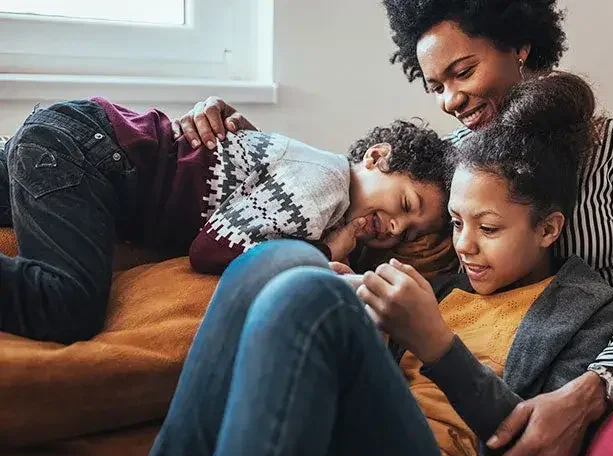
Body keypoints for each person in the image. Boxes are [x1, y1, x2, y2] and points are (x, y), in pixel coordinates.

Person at [176, 1, 613, 456]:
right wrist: (252, 146)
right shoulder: (456, 159)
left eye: (463, 72)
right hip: (417, 387)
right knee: (273, 266)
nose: (449, 99)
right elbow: (359, 191)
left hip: (580, 374)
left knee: (306, 297)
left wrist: (586, 394)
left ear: (519, 45)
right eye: (436, 85)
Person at [141, 73, 613, 456]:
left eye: (490, 227)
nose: (464, 244)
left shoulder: (587, 308)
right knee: (273, 263)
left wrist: (437, 344)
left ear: (548, 228)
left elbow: (534, 448)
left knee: (310, 293)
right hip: (350, 442)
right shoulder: (440, 280)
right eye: (456, 222)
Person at [0, 98, 452, 344]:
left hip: (74, 137)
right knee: (67, 306)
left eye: (410, 233)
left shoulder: (311, 173)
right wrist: (326, 252)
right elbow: (214, 248)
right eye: (406, 204)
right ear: (376, 157)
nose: (396, 228)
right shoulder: (327, 183)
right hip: (91, 154)